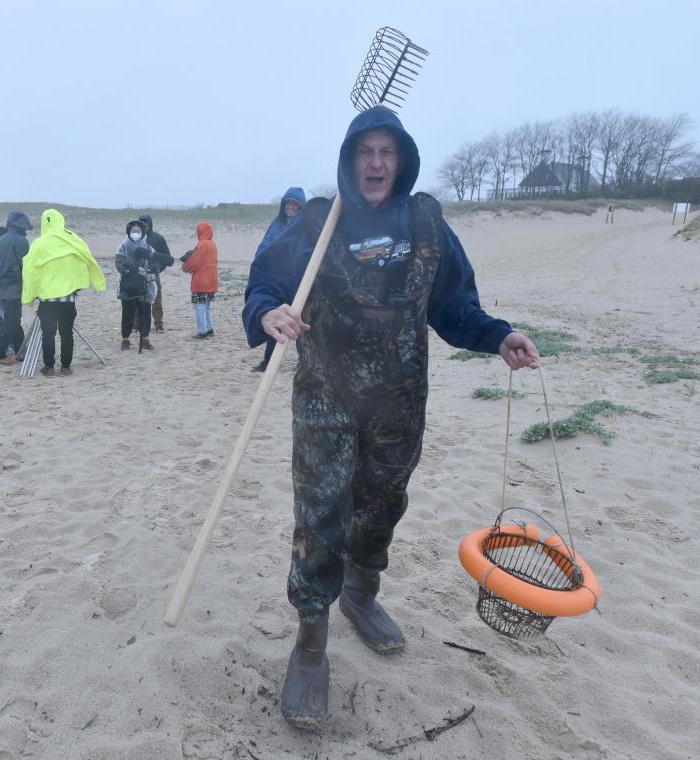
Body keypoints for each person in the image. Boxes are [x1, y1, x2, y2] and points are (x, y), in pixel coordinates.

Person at [243, 105, 541, 730]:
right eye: (364, 152)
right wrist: (266, 315)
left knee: (383, 506)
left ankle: (362, 592)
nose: (376, 163)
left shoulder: (427, 222)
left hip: (399, 401)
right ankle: (312, 639)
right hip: (326, 394)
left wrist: (498, 336)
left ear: (401, 159)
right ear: (350, 160)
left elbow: (456, 303)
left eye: (387, 152)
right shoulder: (321, 221)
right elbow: (266, 282)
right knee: (321, 514)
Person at [21, 209, 105, 376]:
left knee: (48, 334)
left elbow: (30, 270)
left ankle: (49, 367)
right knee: (67, 333)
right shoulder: (72, 240)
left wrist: (31, 293)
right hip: (68, 300)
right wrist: (80, 284)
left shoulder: (39, 243)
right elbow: (83, 262)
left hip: (47, 300)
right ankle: (66, 367)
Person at [251, 187, 306, 372]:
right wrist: (260, 267)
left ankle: (304, 361)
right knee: (276, 321)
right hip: (279, 281)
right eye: (288, 203)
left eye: (294, 204)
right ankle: (269, 360)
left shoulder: (307, 226)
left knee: (303, 322)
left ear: (300, 207)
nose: (290, 207)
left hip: (300, 282)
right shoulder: (276, 225)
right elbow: (265, 248)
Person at [0, 212, 32, 365]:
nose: (26, 231)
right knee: (11, 319)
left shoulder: (0, 239)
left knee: (14, 318)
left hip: (3, 284)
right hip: (15, 285)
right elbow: (26, 266)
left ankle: (20, 351)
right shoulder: (21, 241)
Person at [116, 220, 156, 352]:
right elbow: (120, 264)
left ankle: (145, 339)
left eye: (138, 231)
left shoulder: (148, 248)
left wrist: (151, 275)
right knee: (127, 314)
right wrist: (137, 271)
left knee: (145, 314)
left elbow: (155, 267)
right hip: (127, 286)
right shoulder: (123, 247)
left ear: (143, 232)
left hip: (144, 287)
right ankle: (125, 339)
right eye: (133, 231)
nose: (135, 233)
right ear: (128, 232)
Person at [138, 214, 175, 333]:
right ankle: (136, 323)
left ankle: (158, 324)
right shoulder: (134, 238)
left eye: (147, 223)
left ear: (150, 224)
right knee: (137, 299)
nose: (145, 226)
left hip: (153, 275)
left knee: (156, 299)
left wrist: (158, 271)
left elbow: (167, 258)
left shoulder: (158, 239)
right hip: (138, 275)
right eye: (142, 223)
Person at [182, 222, 218, 339]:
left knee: (200, 307)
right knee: (206, 306)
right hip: (211, 279)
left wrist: (185, 266)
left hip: (201, 280)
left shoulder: (202, 244)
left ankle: (202, 331)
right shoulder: (212, 244)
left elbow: (194, 263)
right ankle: (209, 329)